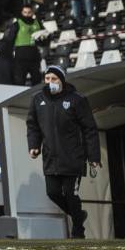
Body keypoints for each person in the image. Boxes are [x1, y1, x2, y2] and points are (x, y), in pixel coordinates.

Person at [25, 66, 100, 238]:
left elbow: (89, 129)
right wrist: (33, 145)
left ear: (62, 81)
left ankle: (78, 232)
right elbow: (33, 126)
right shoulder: (37, 99)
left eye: (54, 79)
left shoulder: (77, 99)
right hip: (50, 158)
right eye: (47, 79)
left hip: (73, 157)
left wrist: (93, 156)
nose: (50, 82)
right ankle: (78, 215)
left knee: (71, 194)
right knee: (52, 193)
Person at [6, 4, 44, 87]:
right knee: (20, 82)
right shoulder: (16, 24)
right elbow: (9, 41)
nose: (27, 14)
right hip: (21, 58)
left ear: (32, 13)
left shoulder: (38, 23)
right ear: (22, 13)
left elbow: (44, 39)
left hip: (34, 57)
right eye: (25, 12)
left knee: (37, 80)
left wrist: (43, 38)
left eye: (29, 12)